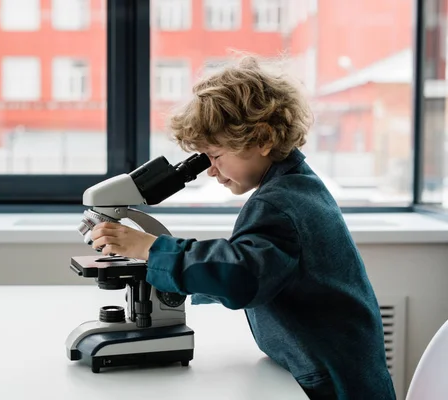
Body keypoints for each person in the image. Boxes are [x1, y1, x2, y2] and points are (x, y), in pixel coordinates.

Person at [90, 53, 396, 400]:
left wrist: (150, 249)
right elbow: (266, 269)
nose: (210, 170)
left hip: (335, 387)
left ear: (263, 139)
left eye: (216, 157)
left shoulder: (279, 204)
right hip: (339, 373)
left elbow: (242, 276)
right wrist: (170, 275)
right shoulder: (298, 187)